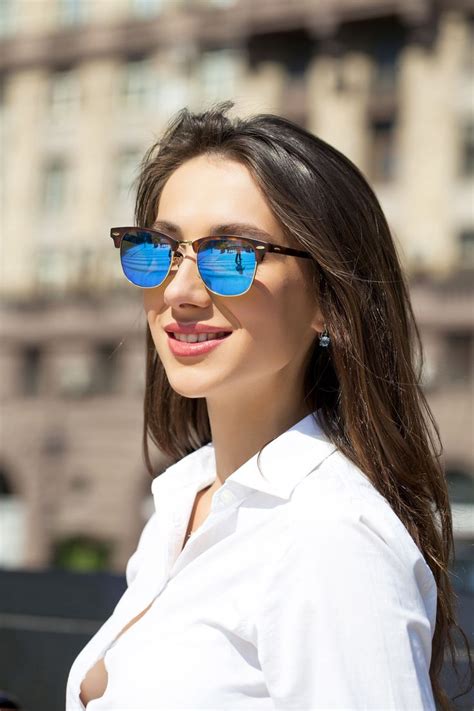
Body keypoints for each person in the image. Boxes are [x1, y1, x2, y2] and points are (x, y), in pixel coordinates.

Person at [65, 101, 472, 710]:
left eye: (232, 255)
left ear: (329, 301)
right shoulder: (186, 502)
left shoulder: (331, 535)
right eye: (159, 248)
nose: (180, 290)